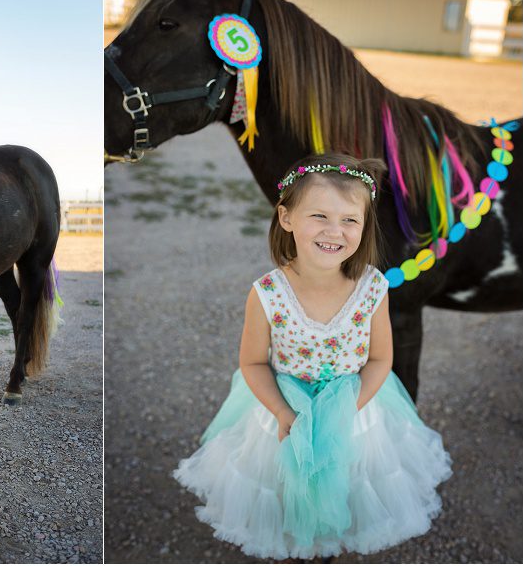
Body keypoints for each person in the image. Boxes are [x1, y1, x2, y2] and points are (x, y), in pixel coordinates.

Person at [173, 153, 452, 559]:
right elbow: (252, 363)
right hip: (284, 412)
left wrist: (347, 409)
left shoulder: (373, 288)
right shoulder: (268, 293)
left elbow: (380, 361)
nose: (334, 231)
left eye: (349, 220)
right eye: (319, 216)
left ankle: (337, 542)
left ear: (365, 224)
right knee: (286, 488)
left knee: (356, 483)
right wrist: (285, 414)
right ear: (287, 218)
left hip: (358, 410)